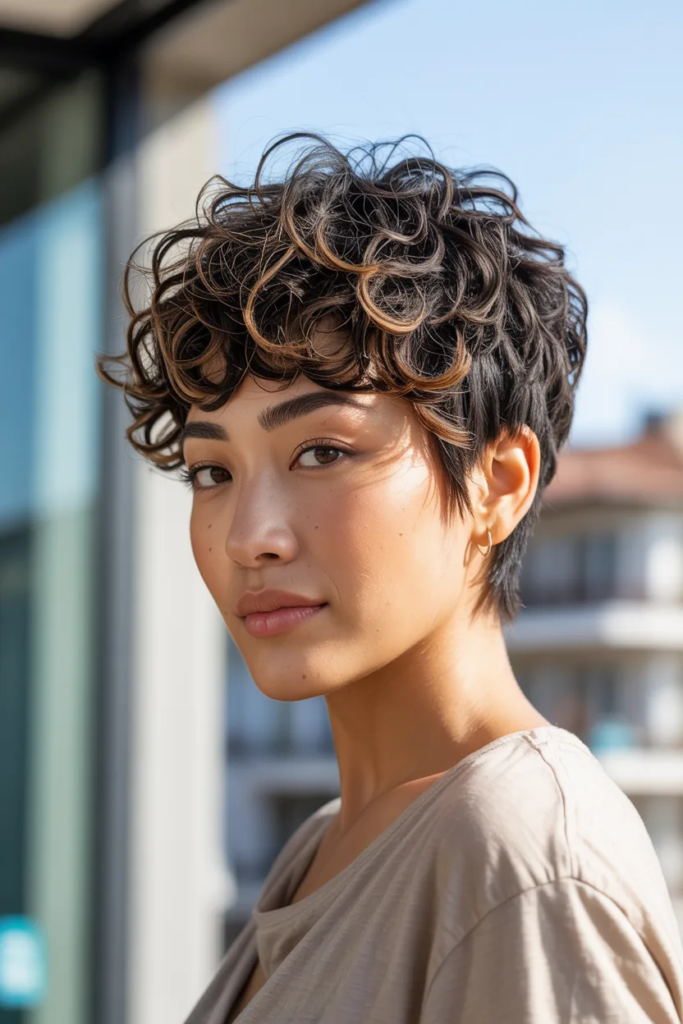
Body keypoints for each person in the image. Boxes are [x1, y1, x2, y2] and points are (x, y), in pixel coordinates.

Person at [96, 133, 683, 1023]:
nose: (249, 536)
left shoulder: (521, 857)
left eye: (322, 450)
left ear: (499, 483)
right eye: (212, 472)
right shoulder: (323, 843)